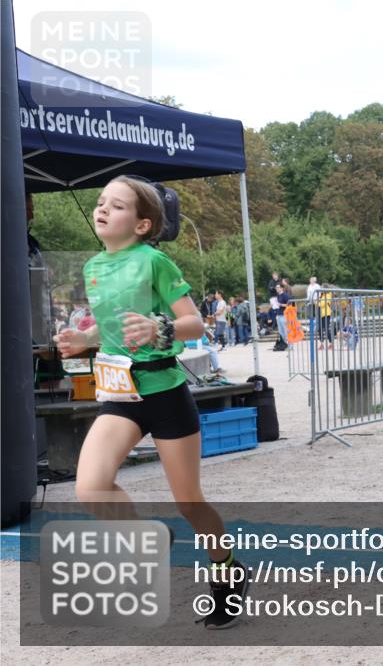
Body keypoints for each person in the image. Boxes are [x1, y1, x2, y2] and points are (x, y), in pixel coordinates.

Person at [51, 175, 248, 629]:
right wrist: (84, 338)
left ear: (142, 225)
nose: (102, 210)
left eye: (116, 206)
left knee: (189, 503)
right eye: (101, 203)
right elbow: (112, 325)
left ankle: (228, 568)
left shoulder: (154, 261)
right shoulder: (95, 266)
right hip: (121, 395)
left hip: (164, 392)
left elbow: (195, 324)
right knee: (90, 486)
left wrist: (158, 329)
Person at [273, 283, 290, 351]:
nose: (276, 289)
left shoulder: (285, 295)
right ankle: (285, 345)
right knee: (281, 332)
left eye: (278, 287)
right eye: (276, 287)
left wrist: (281, 304)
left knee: (286, 331)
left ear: (282, 288)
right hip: (279, 315)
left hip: (284, 315)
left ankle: (290, 346)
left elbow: (289, 304)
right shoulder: (278, 296)